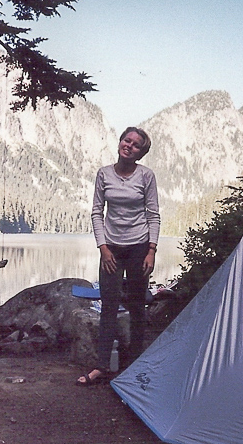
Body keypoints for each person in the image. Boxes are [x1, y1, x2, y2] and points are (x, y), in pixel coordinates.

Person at [76, 127, 160, 386]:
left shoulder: (146, 176)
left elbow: (153, 214)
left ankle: (135, 365)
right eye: (127, 140)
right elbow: (96, 212)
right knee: (108, 307)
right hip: (111, 250)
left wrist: (151, 251)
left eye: (136, 145)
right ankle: (102, 366)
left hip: (138, 248)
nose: (129, 146)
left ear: (141, 152)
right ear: (120, 142)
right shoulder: (104, 174)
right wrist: (103, 248)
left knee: (136, 306)